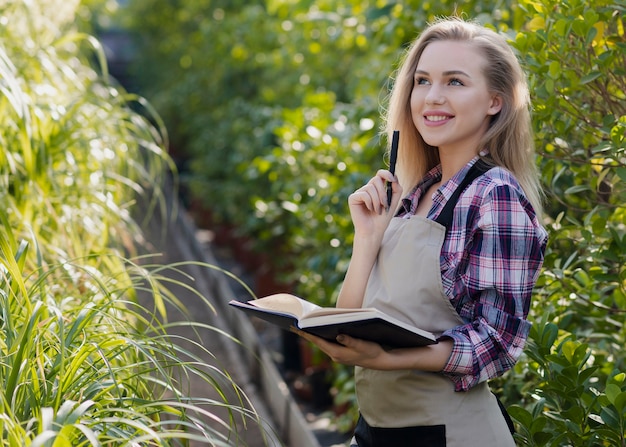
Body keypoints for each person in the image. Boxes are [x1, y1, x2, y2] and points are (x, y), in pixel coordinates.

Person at [293, 17, 548, 447]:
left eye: (455, 82)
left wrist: (388, 359)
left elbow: (497, 343)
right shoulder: (417, 192)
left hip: (450, 435)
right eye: (423, 80)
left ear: (495, 102)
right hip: (378, 431)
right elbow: (348, 320)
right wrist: (368, 239)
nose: (432, 97)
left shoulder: (495, 194)